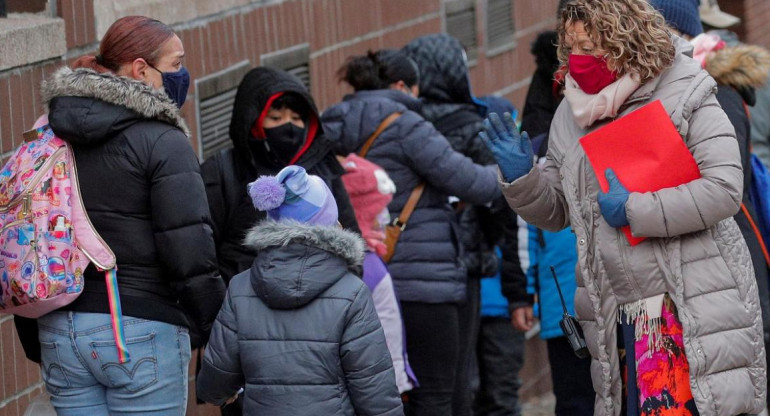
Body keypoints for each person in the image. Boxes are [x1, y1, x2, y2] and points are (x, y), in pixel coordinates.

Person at [480, 0, 767, 415]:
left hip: (686, 299)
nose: (580, 60)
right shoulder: (570, 113)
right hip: (614, 313)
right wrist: (522, 179)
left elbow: (722, 188)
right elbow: (558, 210)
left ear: (623, 38)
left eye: (591, 46)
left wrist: (636, 210)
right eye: (572, 46)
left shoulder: (684, 87)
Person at [13, 15, 226, 414]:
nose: (182, 74)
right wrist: (217, 330)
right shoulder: (163, 140)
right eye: (176, 64)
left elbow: (29, 233)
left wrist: (34, 332)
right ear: (141, 70)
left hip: (59, 329)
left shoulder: (48, 132)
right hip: (141, 329)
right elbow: (190, 251)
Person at [322, 49, 500, 416]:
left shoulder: (329, 125)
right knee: (435, 392)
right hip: (421, 283)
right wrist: (511, 173)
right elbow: (472, 182)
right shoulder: (406, 125)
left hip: (359, 279)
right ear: (403, 86)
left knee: (373, 393)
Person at [196, 165, 404, 416]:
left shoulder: (241, 288)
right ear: (330, 227)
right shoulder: (352, 293)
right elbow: (374, 389)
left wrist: (221, 393)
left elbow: (214, 383)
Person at [401, 34, 521, 416]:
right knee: (455, 380)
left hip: (402, 266)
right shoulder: (474, 126)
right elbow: (500, 202)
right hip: (461, 266)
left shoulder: (402, 124)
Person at [201, 66, 360, 284]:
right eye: (275, 118)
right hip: (244, 306)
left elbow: (350, 237)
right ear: (253, 122)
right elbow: (202, 252)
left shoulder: (321, 167)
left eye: (296, 118)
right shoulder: (224, 171)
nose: (289, 126)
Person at [339, 153, 417, 394]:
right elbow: (388, 330)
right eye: (378, 209)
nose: (385, 218)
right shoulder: (370, 266)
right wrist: (398, 383)